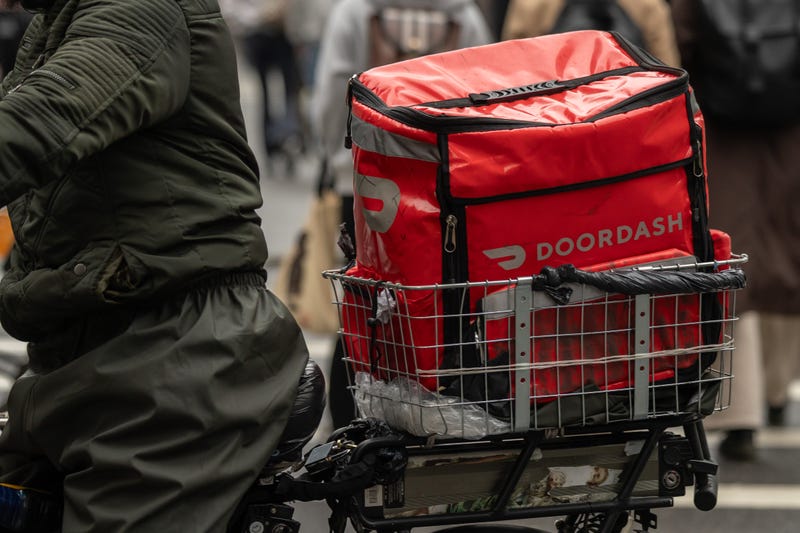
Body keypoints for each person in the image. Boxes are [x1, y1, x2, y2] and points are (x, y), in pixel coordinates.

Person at [0, 0, 309, 531]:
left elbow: (39, 121)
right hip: (82, 356)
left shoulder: (140, 6)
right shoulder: (58, 17)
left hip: (174, 357)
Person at [311, 0, 493, 428]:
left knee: (365, 299)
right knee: (448, 300)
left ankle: (352, 419)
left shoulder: (356, 11)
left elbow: (332, 91)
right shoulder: (461, 15)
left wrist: (334, 157)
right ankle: (446, 412)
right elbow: (485, 87)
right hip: (447, 183)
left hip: (368, 184)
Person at [671, 0, 800, 461]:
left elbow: (676, 53)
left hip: (719, 130)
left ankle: (740, 412)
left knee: (731, 263)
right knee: (784, 261)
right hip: (789, 131)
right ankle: (776, 388)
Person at [501, 0, 680, 68]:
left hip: (552, 123)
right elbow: (669, 70)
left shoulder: (531, 5)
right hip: (628, 119)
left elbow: (511, 68)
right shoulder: (648, 6)